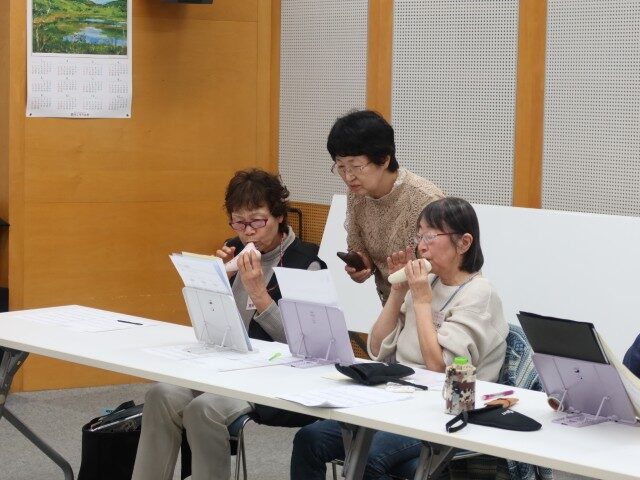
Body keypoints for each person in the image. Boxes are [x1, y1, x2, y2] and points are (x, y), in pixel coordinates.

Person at [290, 197, 508, 480]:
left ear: (464, 243)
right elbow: (376, 349)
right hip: (398, 396)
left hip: (444, 410)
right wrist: (398, 292)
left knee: (369, 460)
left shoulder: (479, 294)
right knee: (310, 439)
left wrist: (421, 301)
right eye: (420, 235)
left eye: (431, 236)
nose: (422, 246)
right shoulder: (428, 282)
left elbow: (438, 367)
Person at [132, 169, 326, 480]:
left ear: (279, 216)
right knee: (161, 394)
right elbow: (212, 327)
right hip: (227, 366)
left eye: (257, 221)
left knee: (203, 410)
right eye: (239, 222)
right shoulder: (233, 248)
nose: (248, 232)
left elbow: (310, 346)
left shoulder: (307, 262)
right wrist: (214, 283)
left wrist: (259, 294)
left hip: (279, 377)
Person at [328, 110, 445, 304]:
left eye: (356, 166)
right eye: (340, 167)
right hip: (391, 304)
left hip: (431, 305)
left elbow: (443, 268)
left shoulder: (426, 199)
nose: (348, 176)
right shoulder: (357, 195)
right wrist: (363, 264)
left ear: (383, 159)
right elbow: (359, 247)